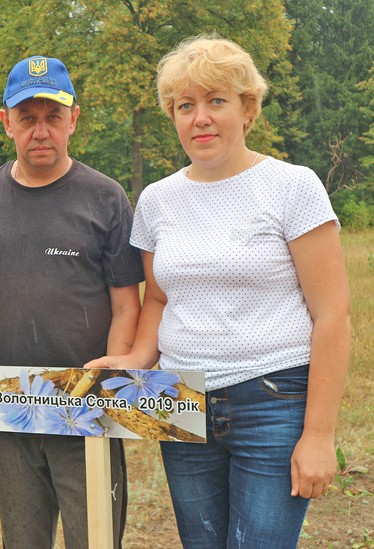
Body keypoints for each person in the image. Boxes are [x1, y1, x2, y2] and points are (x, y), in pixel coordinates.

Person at [86, 36, 351, 548]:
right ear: (174, 116)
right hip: (180, 400)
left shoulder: (293, 187)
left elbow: (333, 314)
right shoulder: (158, 200)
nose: (200, 118)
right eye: (186, 106)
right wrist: (133, 360)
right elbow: (159, 299)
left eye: (216, 101)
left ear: (247, 108)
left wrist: (318, 435)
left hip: (273, 401)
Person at [0, 55, 144, 548]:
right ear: (7, 122)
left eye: (53, 117)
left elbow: (127, 304)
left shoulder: (105, 198)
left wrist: (107, 385)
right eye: (28, 118)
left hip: (85, 403)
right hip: (9, 403)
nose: (41, 131)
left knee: (95, 539)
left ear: (73, 119)